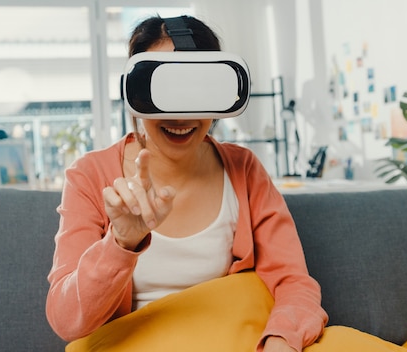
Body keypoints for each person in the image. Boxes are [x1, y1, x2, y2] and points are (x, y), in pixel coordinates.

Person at [46, 15, 328, 352]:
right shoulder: (89, 176)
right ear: (135, 93)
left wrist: (282, 340)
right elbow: (66, 321)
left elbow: (294, 282)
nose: (181, 117)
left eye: (197, 90)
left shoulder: (243, 168)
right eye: (165, 90)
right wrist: (121, 244)